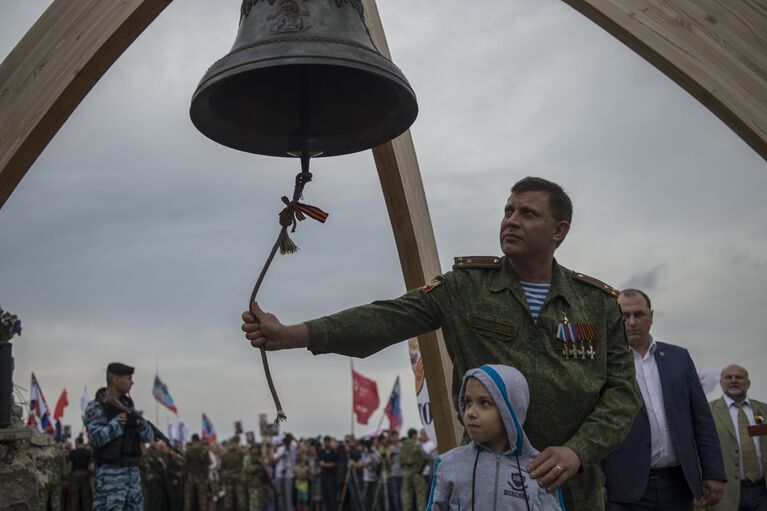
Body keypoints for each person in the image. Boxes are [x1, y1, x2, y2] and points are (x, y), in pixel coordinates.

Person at [243, 176, 641, 509]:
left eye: (528, 213)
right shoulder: (466, 287)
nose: (512, 220)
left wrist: (578, 450)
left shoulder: (596, 304)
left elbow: (622, 394)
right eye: (508, 211)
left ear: (559, 231)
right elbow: (385, 319)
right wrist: (294, 334)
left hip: (568, 484)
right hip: (484, 485)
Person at [602, 289, 726, 510]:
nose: (631, 322)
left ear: (651, 316)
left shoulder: (679, 358)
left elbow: (702, 420)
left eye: (638, 314)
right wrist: (597, 480)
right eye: (624, 316)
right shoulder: (602, 362)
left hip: (678, 486)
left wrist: (713, 472)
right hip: (623, 489)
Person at [428, 364, 564, 510]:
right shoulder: (449, 464)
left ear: (509, 411)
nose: (470, 412)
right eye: (468, 402)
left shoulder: (540, 469)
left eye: (484, 403)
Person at [84, 362, 154, 511]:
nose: (132, 382)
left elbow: (149, 436)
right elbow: (96, 438)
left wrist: (138, 423)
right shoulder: (95, 407)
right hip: (110, 475)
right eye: (128, 378)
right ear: (116, 380)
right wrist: (118, 423)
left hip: (133, 475)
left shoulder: (128, 408)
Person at [707, 364, 767, 510]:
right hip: (725, 493)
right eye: (728, 377)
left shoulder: (762, 410)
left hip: (762, 492)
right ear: (721, 383)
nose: (734, 380)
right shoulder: (707, 412)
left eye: (739, 377)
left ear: (748, 383)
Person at [400, 429, 429, 511]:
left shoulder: (402, 446)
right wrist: (421, 469)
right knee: (420, 496)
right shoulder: (416, 445)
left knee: (406, 496)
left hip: (406, 473)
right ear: (413, 435)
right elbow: (426, 457)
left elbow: (400, 461)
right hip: (416, 472)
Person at [184, 434, 209, 511]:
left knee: (188, 499)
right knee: (202, 499)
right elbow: (207, 464)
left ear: (192, 440)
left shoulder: (189, 450)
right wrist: (205, 476)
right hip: (201, 476)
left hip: (191, 475)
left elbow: (185, 465)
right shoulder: (204, 450)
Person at [68, 436, 93, 511]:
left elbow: (70, 465)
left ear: (77, 443)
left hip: (75, 474)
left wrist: (69, 476)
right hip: (85, 474)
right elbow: (91, 466)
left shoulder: (73, 452)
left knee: (74, 496)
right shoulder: (88, 452)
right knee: (86, 496)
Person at [319, 435, 338, 511]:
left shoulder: (334, 452)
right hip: (324, 477)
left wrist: (325, 465)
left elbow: (333, 464)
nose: (326, 443)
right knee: (325, 496)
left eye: (328, 442)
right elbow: (321, 463)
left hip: (332, 477)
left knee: (332, 497)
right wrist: (326, 464)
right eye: (325, 442)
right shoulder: (322, 452)